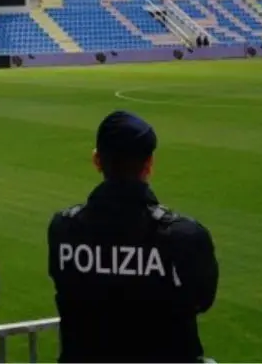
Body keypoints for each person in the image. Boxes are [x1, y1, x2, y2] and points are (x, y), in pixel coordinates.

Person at [47, 111, 218, 363]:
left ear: (97, 161)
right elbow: (202, 301)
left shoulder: (63, 229)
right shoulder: (184, 236)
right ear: (149, 164)